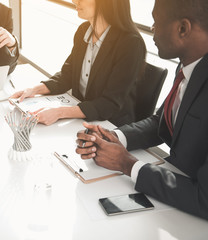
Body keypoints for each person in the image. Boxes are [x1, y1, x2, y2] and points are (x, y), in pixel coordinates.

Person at [76, 0, 208, 220]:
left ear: (182, 28)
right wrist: (115, 136)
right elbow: (162, 122)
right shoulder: (189, 65)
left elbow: (204, 198)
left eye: (156, 22)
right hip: (172, 200)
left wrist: (127, 164)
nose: (152, 29)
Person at [10, 0, 146, 126]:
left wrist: (59, 112)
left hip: (110, 126)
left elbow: (109, 104)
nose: (75, 1)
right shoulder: (83, 31)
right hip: (81, 118)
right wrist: (34, 90)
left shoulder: (130, 44)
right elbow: (67, 76)